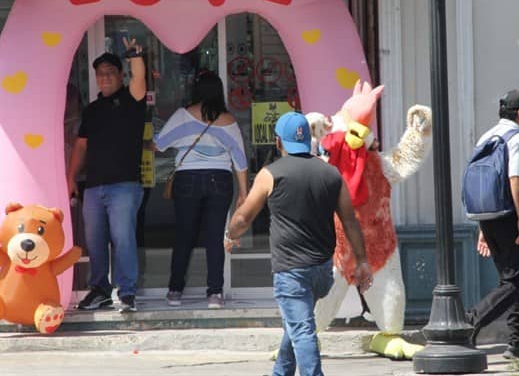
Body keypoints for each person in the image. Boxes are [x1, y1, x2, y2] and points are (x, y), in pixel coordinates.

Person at [225, 112, 373, 376]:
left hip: (291, 271)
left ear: (278, 142)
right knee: (296, 323)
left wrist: (230, 234)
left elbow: (243, 217)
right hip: (321, 272)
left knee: (302, 329)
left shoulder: (270, 174)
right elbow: (350, 221)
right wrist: (362, 261)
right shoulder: (331, 174)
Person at [152, 71, 248, 308]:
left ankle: (175, 291)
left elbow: (159, 145)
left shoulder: (182, 116)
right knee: (215, 238)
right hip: (220, 179)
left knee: (184, 235)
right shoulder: (229, 121)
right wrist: (244, 192)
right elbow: (239, 157)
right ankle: (215, 294)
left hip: (187, 179)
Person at [67, 39, 147, 313]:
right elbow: (81, 145)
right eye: (100, 73)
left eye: (110, 72)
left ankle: (127, 293)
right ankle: (100, 290)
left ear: (120, 75)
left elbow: (139, 80)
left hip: (124, 185)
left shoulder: (131, 100)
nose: (104, 77)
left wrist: (134, 55)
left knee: (123, 239)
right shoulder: (92, 110)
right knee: (96, 241)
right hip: (94, 188)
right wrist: (70, 178)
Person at [465, 90, 519, 360]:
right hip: (509, 215)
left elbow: (481, 186)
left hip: (488, 217)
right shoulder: (518, 138)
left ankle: (518, 345)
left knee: (514, 279)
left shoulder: (487, 137)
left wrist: (483, 229)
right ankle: (471, 320)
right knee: (515, 281)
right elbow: (515, 179)